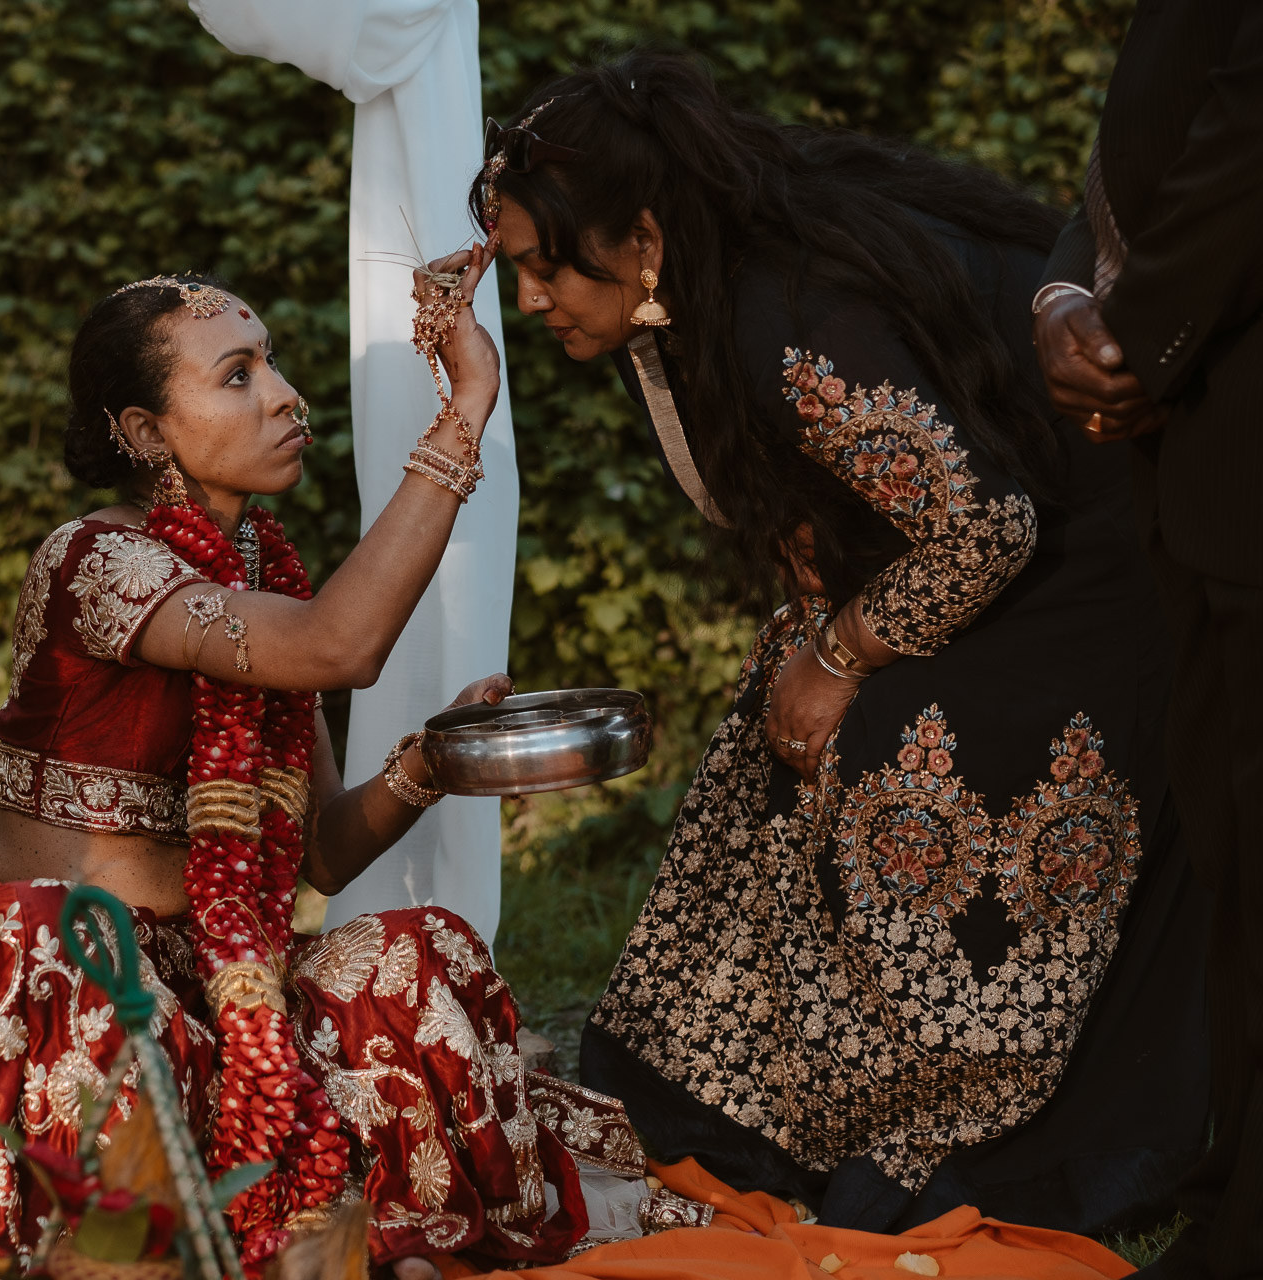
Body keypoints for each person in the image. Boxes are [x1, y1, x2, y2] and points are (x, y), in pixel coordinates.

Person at [471, 52, 1209, 1235]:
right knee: (769, 722)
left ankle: (928, 1112)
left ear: (643, 238)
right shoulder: (723, 278)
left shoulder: (786, 318)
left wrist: (843, 652)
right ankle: (725, 1109)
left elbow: (983, 525)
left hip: (1086, 572)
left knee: (872, 748)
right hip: (1018, 538)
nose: (531, 300)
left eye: (539, 265)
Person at [0, 272, 712, 1274]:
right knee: (62, 939)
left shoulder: (263, 580)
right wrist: (464, 412)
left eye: (269, 361)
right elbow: (336, 646)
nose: (283, 394)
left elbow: (315, 850)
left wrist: (428, 765)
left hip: (223, 997)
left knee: (422, 952)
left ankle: (347, 1211)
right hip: (68, 991)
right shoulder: (99, 558)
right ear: (143, 431)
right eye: (237, 374)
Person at [1031, 4, 1263, 1273]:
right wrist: (1067, 288)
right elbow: (1129, 167)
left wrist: (1136, 341)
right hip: (1200, 464)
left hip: (1225, 409)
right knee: (1233, 846)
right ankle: (1236, 1170)